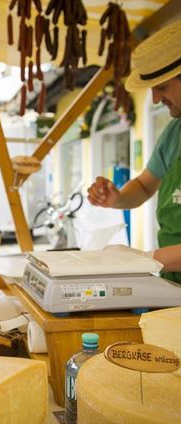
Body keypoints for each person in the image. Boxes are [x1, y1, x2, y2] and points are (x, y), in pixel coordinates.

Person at [87, 20, 181, 283]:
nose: (155, 99)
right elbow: (143, 186)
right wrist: (117, 199)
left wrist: (144, 258)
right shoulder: (175, 133)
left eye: (162, 87)